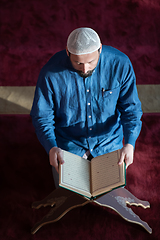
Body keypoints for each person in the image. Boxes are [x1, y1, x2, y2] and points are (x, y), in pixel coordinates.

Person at [31, 27, 142, 188]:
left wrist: (130, 144)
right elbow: (42, 115)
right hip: (69, 142)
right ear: (68, 53)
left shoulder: (120, 64)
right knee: (69, 194)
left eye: (91, 62)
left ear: (100, 49)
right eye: (78, 62)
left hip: (108, 141)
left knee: (111, 192)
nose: (85, 69)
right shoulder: (50, 72)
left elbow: (131, 109)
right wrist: (51, 147)